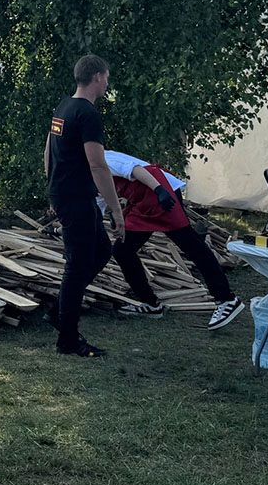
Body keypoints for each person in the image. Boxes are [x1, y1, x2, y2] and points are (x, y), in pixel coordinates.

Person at [105, 150, 244, 328]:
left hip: (160, 191)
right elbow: (101, 202)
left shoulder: (100, 159)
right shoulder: (84, 177)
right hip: (141, 202)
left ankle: (226, 299)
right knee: (122, 251)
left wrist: (160, 191)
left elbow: (136, 169)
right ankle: (151, 304)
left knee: (192, 246)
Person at [43, 55, 122, 358]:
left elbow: (48, 150)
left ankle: (59, 312)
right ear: (97, 77)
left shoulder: (64, 107)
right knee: (76, 266)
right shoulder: (87, 114)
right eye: (107, 77)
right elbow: (98, 165)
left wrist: (53, 187)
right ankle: (67, 340)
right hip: (75, 198)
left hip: (69, 195)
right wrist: (116, 210)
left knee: (101, 251)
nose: (107, 83)